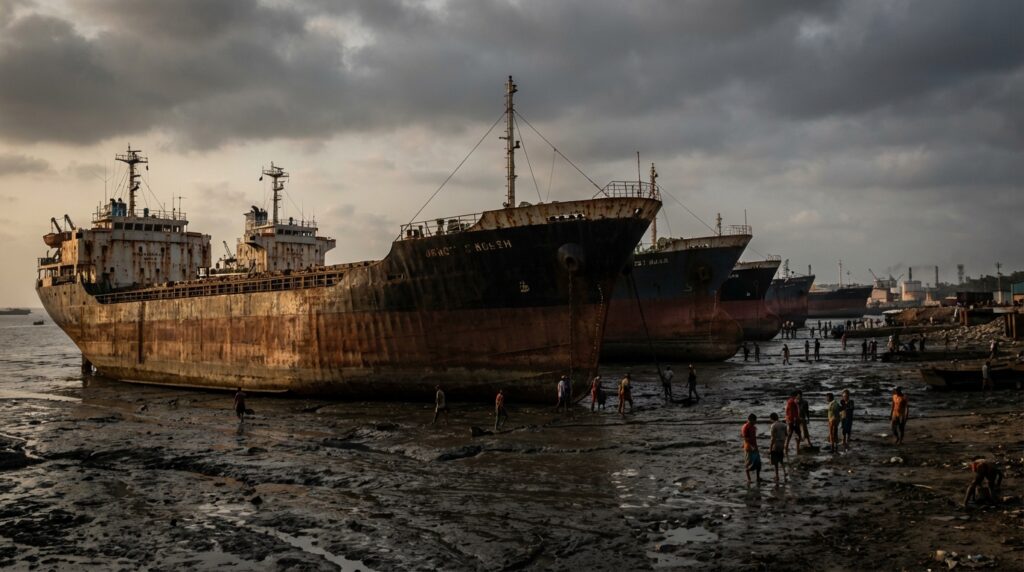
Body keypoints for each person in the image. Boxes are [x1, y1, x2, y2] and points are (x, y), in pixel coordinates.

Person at [741, 413, 762, 485]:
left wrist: (755, 446)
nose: (755, 422)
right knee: (748, 463)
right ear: (751, 420)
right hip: (749, 448)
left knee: (758, 463)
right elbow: (745, 438)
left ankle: (758, 477)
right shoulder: (745, 427)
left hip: (754, 446)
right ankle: (749, 478)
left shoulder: (753, 427)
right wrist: (750, 446)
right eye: (755, 420)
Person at [768, 412, 787, 483]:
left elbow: (773, 438)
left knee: (775, 461)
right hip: (782, 443)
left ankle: (777, 475)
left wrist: (770, 448)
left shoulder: (773, 425)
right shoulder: (784, 424)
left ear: (771, 418)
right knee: (781, 459)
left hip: (776, 444)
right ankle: (785, 472)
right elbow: (786, 434)